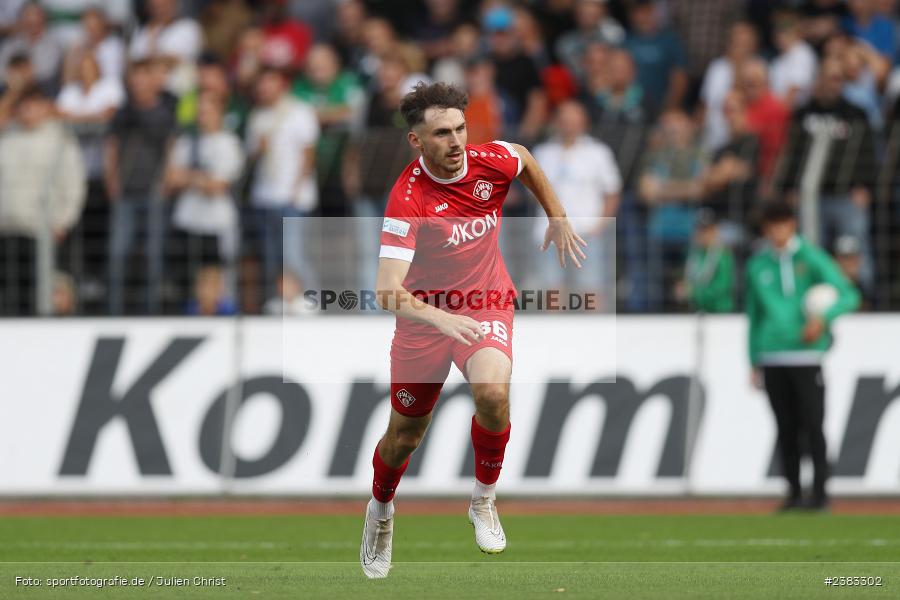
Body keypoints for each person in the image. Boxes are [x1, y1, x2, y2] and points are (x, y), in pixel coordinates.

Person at [360, 82, 585, 578]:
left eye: (461, 127)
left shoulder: (489, 161)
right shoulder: (408, 198)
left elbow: (522, 157)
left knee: (492, 392)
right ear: (417, 141)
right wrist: (441, 317)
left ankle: (483, 499)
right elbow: (385, 291)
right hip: (425, 323)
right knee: (405, 436)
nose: (457, 141)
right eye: (442, 133)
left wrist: (558, 215)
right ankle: (381, 510)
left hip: (485, 304)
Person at [746, 202, 860, 511]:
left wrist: (823, 318)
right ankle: (794, 493)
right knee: (785, 429)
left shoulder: (811, 258)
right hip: (772, 355)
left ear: (792, 225)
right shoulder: (757, 266)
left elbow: (849, 295)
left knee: (813, 425)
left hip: (807, 357)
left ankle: (820, 493)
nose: (777, 231)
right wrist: (753, 359)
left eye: (782, 224)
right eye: (771, 225)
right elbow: (754, 316)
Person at [0, 87, 85, 315]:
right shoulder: (7, 138)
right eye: (23, 104)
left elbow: (73, 185)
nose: (27, 110)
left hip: (40, 231)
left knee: (38, 295)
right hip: (6, 228)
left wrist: (62, 221)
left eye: (33, 104)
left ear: (46, 107)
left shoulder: (60, 139)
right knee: (8, 296)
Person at [531, 100, 621, 306]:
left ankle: (596, 337)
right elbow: (533, 192)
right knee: (552, 291)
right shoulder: (542, 152)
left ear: (584, 123)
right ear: (556, 122)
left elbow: (612, 191)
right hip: (548, 233)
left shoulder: (598, 153)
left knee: (591, 290)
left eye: (573, 120)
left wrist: (600, 226)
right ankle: (554, 337)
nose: (568, 125)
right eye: (564, 120)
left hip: (586, 232)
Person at [681, 209, 735, 313]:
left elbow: (721, 288)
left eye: (707, 230)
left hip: (720, 313)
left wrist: (693, 292)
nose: (703, 234)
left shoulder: (723, 256)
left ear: (715, 230)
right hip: (698, 311)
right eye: (700, 230)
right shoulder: (694, 255)